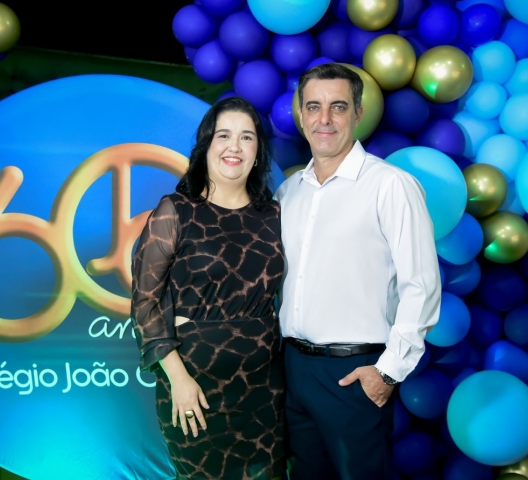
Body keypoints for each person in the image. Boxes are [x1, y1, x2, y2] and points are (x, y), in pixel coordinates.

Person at [275, 63, 441, 480]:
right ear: (300, 115)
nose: (324, 119)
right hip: (294, 368)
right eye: (313, 107)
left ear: (358, 113)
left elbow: (421, 285)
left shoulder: (390, 185)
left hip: (354, 373)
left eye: (338, 106)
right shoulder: (288, 193)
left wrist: (388, 372)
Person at [131, 97, 286, 480]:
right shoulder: (175, 211)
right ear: (206, 146)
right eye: (224, 135)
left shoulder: (275, 216)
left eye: (246, 137)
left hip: (264, 392)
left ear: (258, 151)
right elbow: (145, 304)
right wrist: (178, 379)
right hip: (194, 388)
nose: (235, 146)